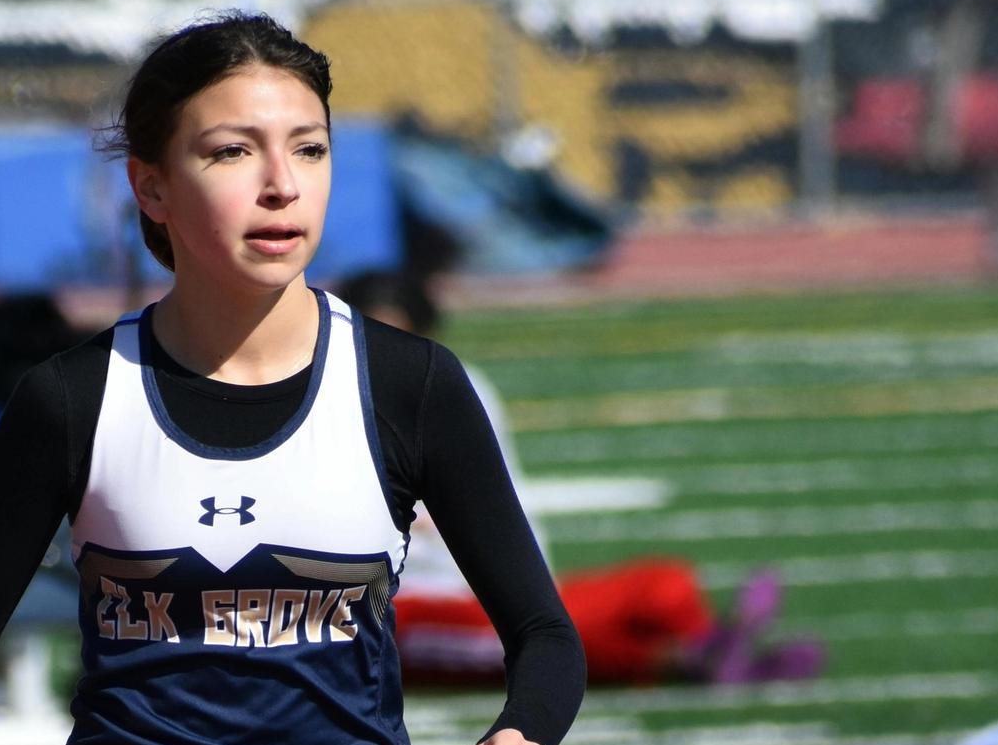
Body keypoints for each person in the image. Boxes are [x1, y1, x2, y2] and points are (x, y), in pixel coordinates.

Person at [0, 13, 584, 745]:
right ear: (151, 186)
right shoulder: (74, 398)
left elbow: (544, 634)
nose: (282, 185)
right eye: (233, 152)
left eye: (310, 149)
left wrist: (522, 734)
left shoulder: (412, 386)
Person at [336, 269, 824, 688]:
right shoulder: (329, 398)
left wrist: (526, 590)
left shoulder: (451, 385)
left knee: (666, 586)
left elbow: (500, 504)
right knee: (526, 646)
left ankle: (714, 650)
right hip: (394, 607)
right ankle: (683, 663)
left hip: (479, 588)